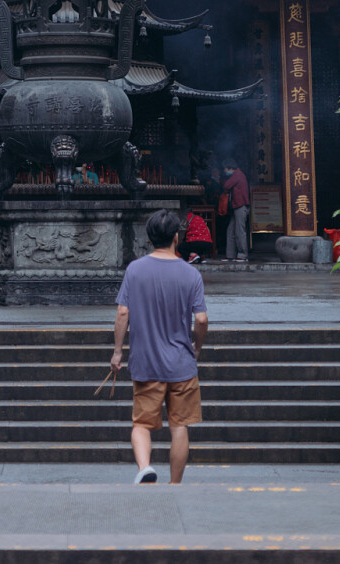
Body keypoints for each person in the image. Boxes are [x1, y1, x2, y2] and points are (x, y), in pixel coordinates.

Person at [111, 208, 209, 485]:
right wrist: (196, 348)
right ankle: (174, 485)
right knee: (179, 427)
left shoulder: (135, 269)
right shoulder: (191, 274)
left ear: (150, 237)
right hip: (181, 363)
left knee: (141, 424)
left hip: (146, 362)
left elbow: (122, 313)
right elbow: (201, 319)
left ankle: (144, 468)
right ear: (176, 237)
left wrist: (118, 352)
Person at [222, 161, 250, 261]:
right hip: (236, 206)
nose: (224, 171)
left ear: (230, 168)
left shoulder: (237, 174)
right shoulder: (238, 175)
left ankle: (242, 255)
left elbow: (226, 186)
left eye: (225, 169)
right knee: (231, 231)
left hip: (240, 206)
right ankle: (230, 255)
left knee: (239, 231)